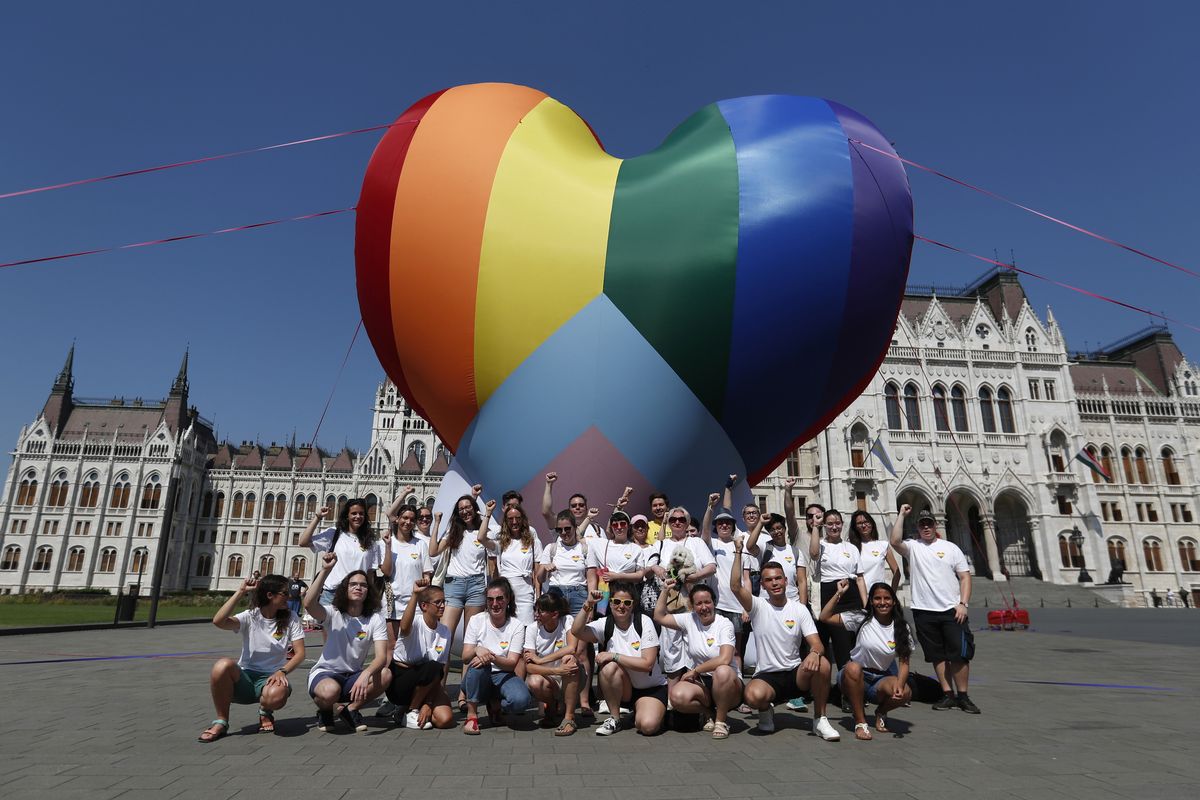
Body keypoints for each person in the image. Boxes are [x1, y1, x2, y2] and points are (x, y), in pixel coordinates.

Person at [729, 538, 840, 740]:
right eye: (769, 580)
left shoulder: (799, 609)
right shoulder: (758, 606)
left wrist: (815, 653)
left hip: (795, 674)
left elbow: (817, 644)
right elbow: (735, 586)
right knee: (753, 696)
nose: (775, 583)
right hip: (767, 676)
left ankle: (820, 719)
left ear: (786, 581)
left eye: (778, 578)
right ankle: (766, 710)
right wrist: (738, 552)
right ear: (762, 584)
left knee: (823, 663)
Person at [890, 505, 980, 714]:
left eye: (929, 523)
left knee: (959, 654)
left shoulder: (951, 548)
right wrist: (901, 515)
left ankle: (964, 696)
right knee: (936, 655)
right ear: (918, 528)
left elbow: (965, 576)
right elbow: (894, 541)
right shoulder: (913, 547)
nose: (926, 527)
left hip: (952, 610)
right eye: (922, 524)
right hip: (923, 610)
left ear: (935, 525)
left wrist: (963, 604)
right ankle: (948, 694)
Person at [198, 574, 306, 742]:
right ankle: (221, 721)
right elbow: (219, 621)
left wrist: (282, 671)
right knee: (222, 665)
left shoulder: (291, 617)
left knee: (276, 695)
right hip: (246, 677)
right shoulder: (251, 616)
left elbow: (300, 653)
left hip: (271, 678)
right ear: (270, 595)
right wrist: (240, 591)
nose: (289, 597)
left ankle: (265, 710)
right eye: (285, 593)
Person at [303, 554, 392, 732]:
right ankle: (325, 710)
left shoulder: (375, 619)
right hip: (326, 674)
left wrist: (366, 674)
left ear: (368, 591)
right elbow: (308, 604)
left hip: (354, 676)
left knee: (385, 674)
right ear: (345, 589)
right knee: (329, 692)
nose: (358, 587)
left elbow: (382, 656)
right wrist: (325, 570)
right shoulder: (333, 613)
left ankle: (351, 710)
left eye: (363, 585)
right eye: (353, 584)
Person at [820, 580, 913, 740]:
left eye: (887, 598)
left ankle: (881, 712)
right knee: (853, 667)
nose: (882, 603)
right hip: (852, 676)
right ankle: (860, 722)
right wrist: (839, 593)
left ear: (893, 601)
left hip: (880, 679)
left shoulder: (902, 627)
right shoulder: (861, 618)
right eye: (877, 598)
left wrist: (899, 684)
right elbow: (824, 617)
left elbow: (904, 662)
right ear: (871, 601)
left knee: (906, 692)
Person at [571, 583, 668, 736]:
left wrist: (614, 656)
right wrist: (588, 604)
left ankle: (649, 712)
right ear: (610, 603)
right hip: (625, 688)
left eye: (627, 603)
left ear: (633, 605)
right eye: (616, 602)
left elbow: (647, 664)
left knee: (647, 727)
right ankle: (615, 719)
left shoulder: (644, 622)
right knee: (608, 667)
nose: (621, 606)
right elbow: (577, 631)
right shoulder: (606, 624)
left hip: (650, 689)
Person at [428, 488, 494, 708]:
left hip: (476, 585)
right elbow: (433, 551)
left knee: (470, 641)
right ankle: (439, 689)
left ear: (475, 510)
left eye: (468, 508)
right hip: (454, 585)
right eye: (461, 509)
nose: (465, 512)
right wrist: (437, 523)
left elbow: (488, 550)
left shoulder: (481, 533)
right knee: (445, 638)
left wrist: (485, 511)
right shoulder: (454, 533)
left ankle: (465, 694)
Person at [653, 580, 741, 739]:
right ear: (692, 606)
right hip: (702, 682)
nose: (704, 607)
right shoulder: (689, 619)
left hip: (729, 683)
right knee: (677, 696)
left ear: (714, 603)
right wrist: (665, 590)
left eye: (707, 602)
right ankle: (708, 712)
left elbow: (725, 658)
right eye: (698, 603)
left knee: (722, 671)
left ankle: (721, 721)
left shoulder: (724, 624)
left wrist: (695, 670)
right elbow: (659, 617)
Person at [643, 506, 717, 685]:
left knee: (697, 646)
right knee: (672, 649)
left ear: (688, 523)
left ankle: (698, 695)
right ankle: (672, 698)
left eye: (681, 519)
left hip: (695, 604)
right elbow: (646, 569)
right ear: (668, 523)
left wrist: (692, 577)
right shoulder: (661, 544)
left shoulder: (696, 542)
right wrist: (656, 568)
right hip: (671, 605)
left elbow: (711, 566)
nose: (677, 522)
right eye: (673, 519)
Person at [460, 577, 532, 734]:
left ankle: (496, 706)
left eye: (500, 599)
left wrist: (491, 656)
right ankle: (471, 716)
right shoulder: (476, 620)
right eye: (490, 599)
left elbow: (512, 663)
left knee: (521, 701)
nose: (495, 604)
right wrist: (477, 650)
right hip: (478, 675)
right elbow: (465, 657)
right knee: (478, 665)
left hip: (504, 674)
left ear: (508, 600)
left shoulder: (516, 625)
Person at [384, 578, 454, 730]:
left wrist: (429, 704)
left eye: (444, 601)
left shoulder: (445, 632)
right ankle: (410, 710)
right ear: (424, 606)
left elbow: (439, 670)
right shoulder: (415, 622)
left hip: (426, 680)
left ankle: (416, 708)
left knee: (445, 720)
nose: (442, 606)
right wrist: (415, 594)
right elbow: (404, 626)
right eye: (438, 602)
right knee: (432, 667)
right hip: (401, 680)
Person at [299, 499, 392, 607]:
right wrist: (318, 517)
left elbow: (370, 573)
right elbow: (303, 542)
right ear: (347, 515)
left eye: (361, 513)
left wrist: (370, 598)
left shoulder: (371, 542)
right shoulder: (334, 533)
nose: (357, 516)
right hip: (332, 594)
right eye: (353, 513)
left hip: (357, 596)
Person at [697, 495, 752, 675]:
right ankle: (717, 683)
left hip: (737, 606)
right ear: (716, 527)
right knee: (716, 648)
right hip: (717, 605)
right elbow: (704, 531)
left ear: (733, 526)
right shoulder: (712, 544)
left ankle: (738, 683)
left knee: (736, 650)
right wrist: (710, 507)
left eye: (728, 523)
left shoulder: (741, 548)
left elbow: (746, 579)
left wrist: (747, 607)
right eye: (720, 524)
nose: (724, 526)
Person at [809, 509, 868, 669]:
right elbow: (814, 554)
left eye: (837, 523)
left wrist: (866, 604)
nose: (834, 527)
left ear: (842, 524)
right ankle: (835, 683)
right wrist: (816, 526)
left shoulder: (851, 548)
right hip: (830, 596)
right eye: (829, 524)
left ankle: (851, 682)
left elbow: (860, 578)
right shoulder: (820, 544)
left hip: (851, 595)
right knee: (833, 643)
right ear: (825, 526)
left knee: (851, 643)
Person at [523, 592, 583, 736]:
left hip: (573, 677)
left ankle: (569, 717)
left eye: (541, 611)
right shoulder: (532, 629)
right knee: (534, 681)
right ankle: (551, 707)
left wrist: (541, 660)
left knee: (569, 658)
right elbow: (529, 666)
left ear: (554, 614)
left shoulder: (567, 620)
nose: (536, 614)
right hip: (550, 677)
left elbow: (572, 647)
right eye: (535, 610)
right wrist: (557, 671)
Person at [490, 503, 542, 624]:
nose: (514, 522)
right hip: (506, 591)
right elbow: (481, 538)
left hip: (526, 591)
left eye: (518, 518)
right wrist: (488, 513)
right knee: (506, 628)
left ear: (523, 519)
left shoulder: (532, 540)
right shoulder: (500, 541)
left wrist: (538, 597)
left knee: (526, 627)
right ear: (506, 522)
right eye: (510, 519)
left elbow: (537, 572)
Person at [539, 509, 594, 616]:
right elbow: (540, 579)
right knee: (556, 632)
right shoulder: (551, 548)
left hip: (579, 595)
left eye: (567, 529)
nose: (563, 533)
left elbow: (591, 580)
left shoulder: (585, 549)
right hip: (556, 594)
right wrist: (545, 568)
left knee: (578, 631)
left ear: (575, 528)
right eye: (559, 530)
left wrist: (590, 606)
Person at [542, 473, 605, 542]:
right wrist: (549, 484)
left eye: (581, 505)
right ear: (569, 510)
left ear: (587, 509)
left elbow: (605, 551)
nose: (577, 507)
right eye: (574, 506)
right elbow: (546, 512)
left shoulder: (597, 530)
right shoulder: (561, 528)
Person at [849, 510, 901, 592]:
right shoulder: (851, 547)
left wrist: (892, 593)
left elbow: (896, 572)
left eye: (866, 522)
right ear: (855, 527)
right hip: (857, 596)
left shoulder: (883, 545)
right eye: (859, 523)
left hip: (877, 596)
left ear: (872, 523)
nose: (863, 525)